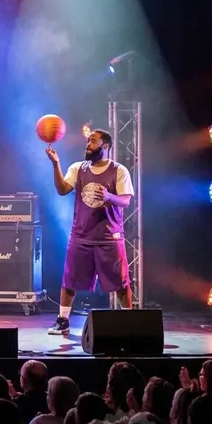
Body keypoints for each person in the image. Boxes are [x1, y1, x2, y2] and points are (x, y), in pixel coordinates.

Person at [46, 128, 133, 335]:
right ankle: (63, 321)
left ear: (105, 146)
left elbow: (126, 201)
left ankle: (130, 321)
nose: (88, 144)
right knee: (69, 280)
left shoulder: (119, 170)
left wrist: (109, 196)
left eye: (93, 141)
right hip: (81, 235)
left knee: (120, 283)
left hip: (109, 237)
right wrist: (56, 164)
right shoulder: (78, 168)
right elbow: (62, 189)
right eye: (88, 141)